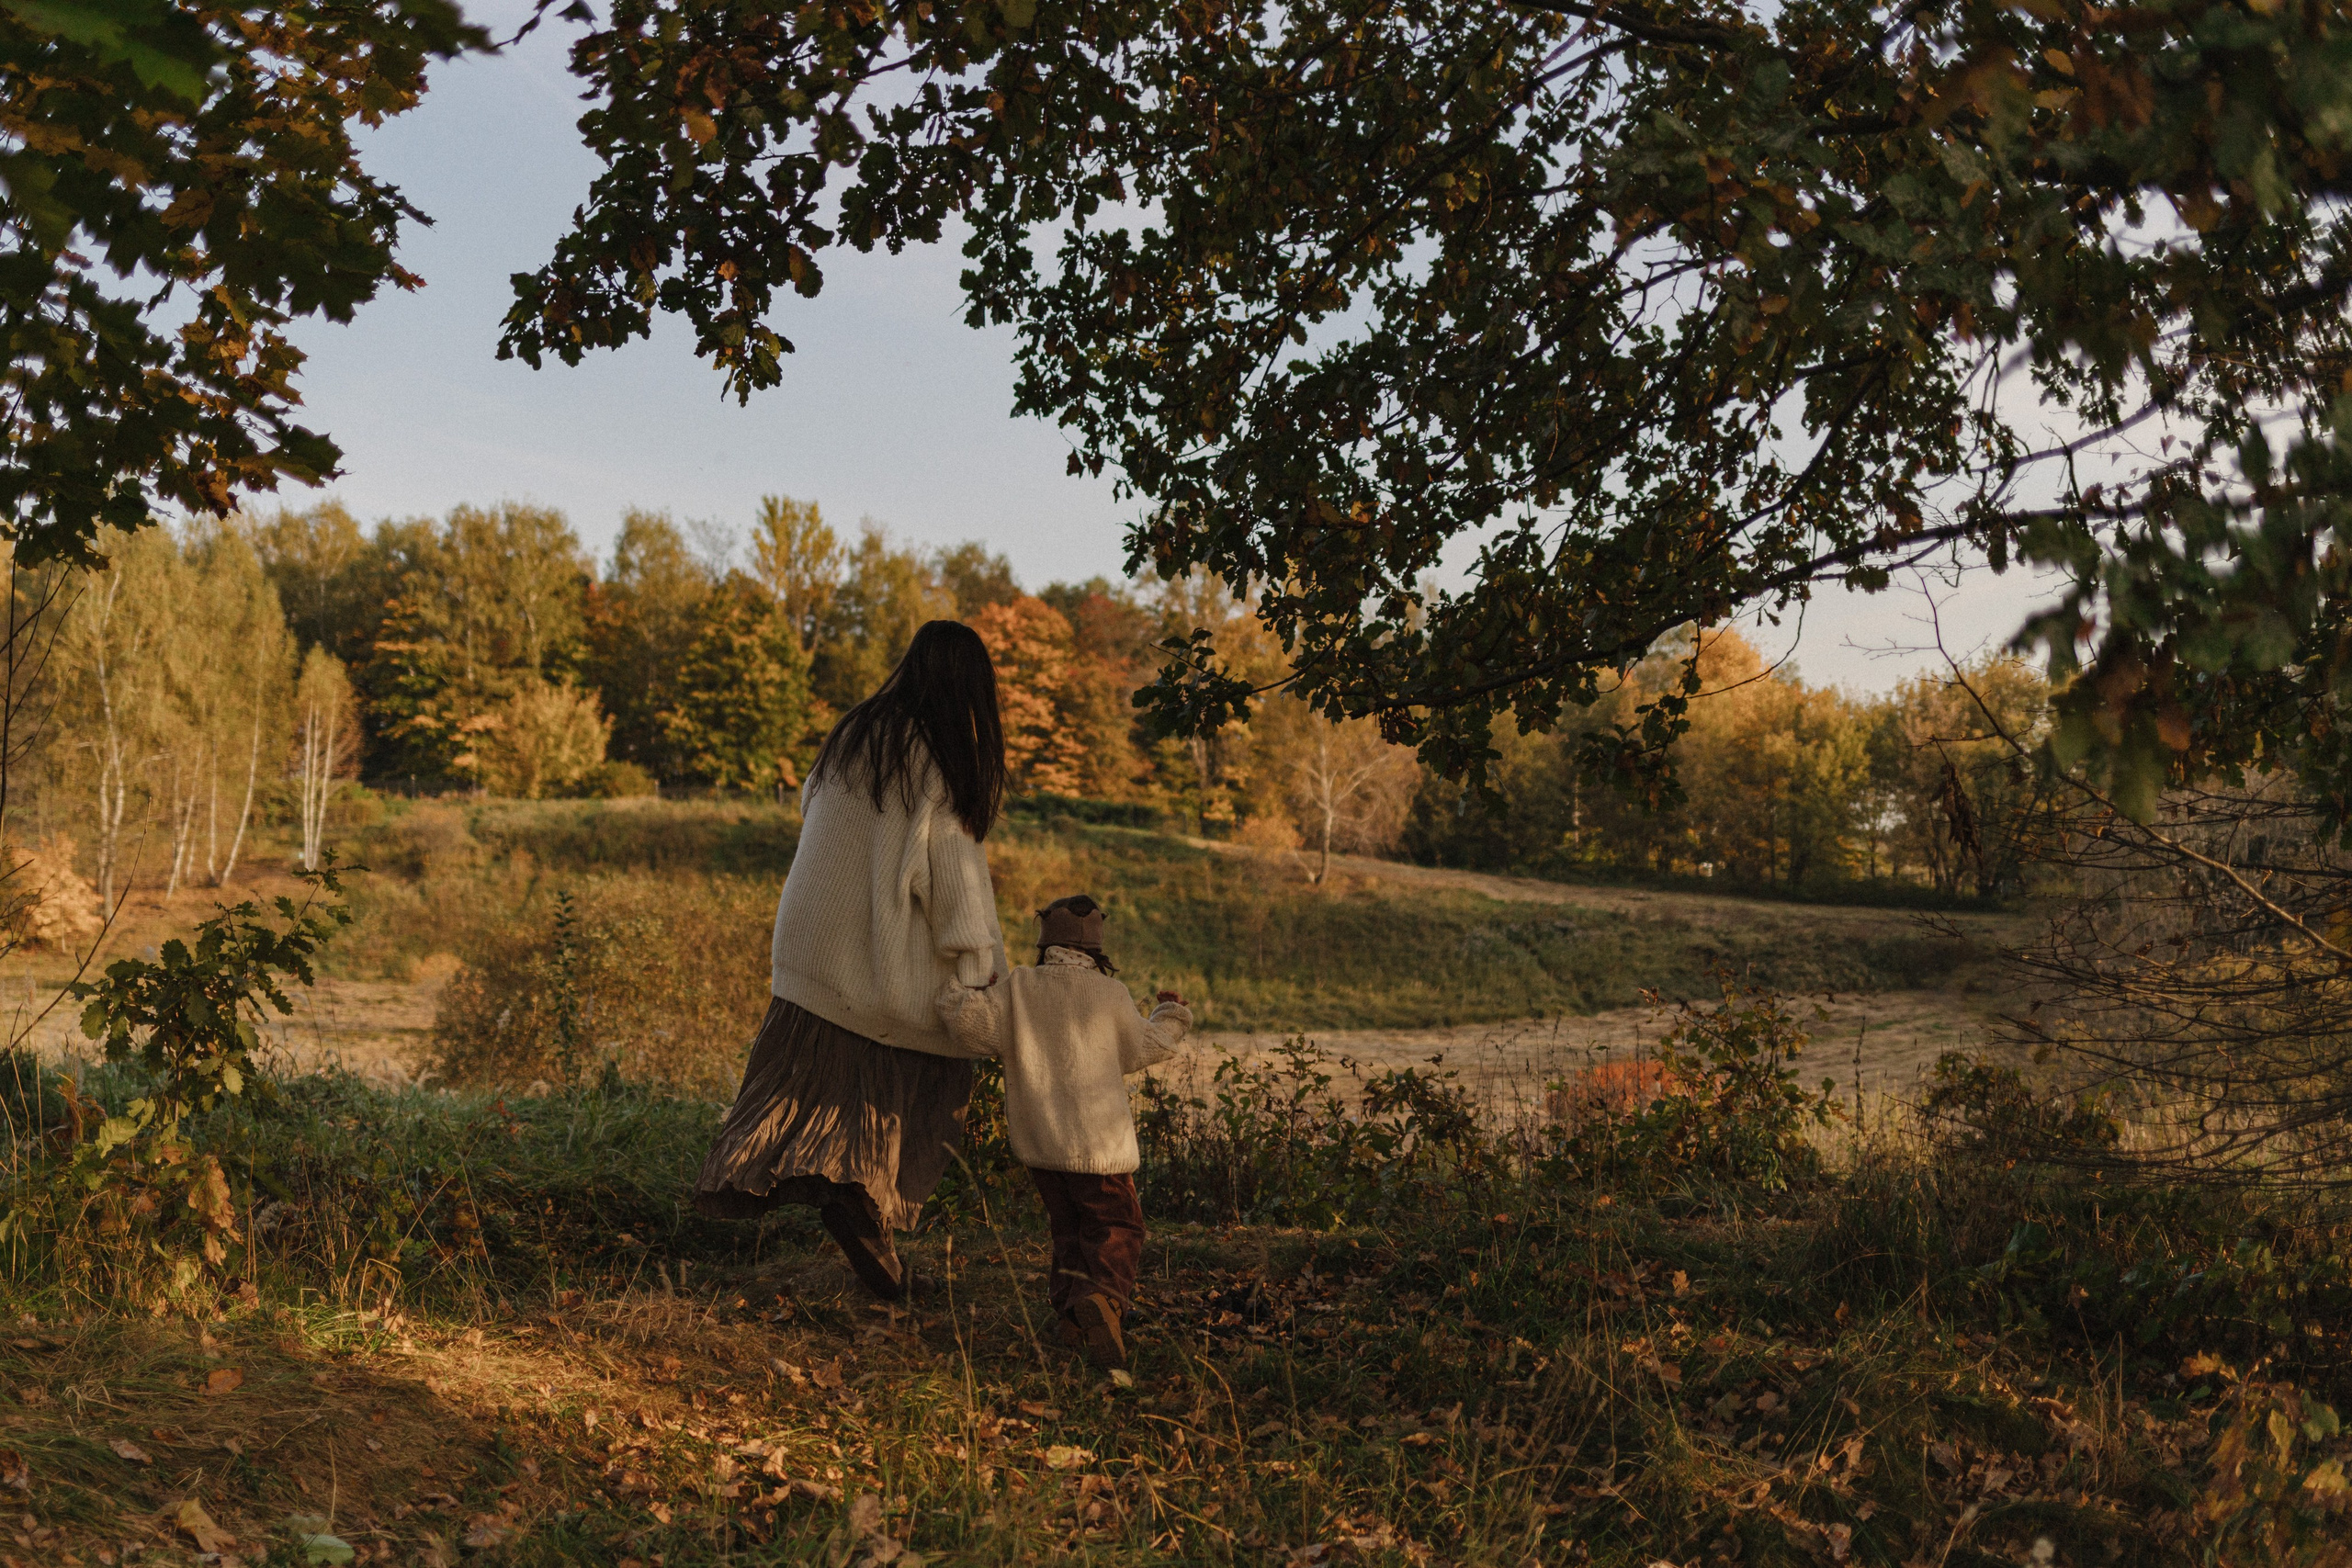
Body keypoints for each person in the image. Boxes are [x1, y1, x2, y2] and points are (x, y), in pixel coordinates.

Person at [694, 620, 1011, 1301]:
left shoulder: (855, 736)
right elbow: (954, 884)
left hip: (806, 952)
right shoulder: (937, 762)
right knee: (935, 1065)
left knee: (822, 1078)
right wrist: (982, 973)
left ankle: (861, 1216)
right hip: (861, 957)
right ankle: (866, 1204)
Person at [934, 894, 1191, 1369]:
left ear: (1044, 941)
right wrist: (1172, 1015)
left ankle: (1073, 1324)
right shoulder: (1108, 995)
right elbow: (1143, 1048)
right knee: (1118, 1225)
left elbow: (972, 1030)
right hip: (1099, 1147)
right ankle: (1104, 1302)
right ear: (1096, 948)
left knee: (1069, 1230)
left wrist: (960, 991)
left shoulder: (1019, 987)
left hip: (1041, 1145)